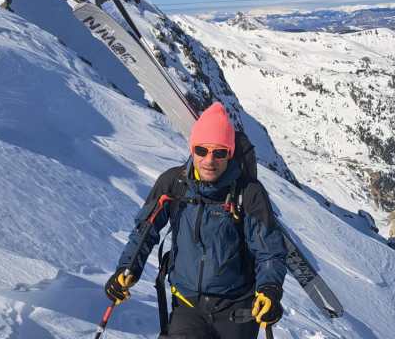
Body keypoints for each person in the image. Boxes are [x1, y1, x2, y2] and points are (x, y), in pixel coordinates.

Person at [105, 102, 287, 338]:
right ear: (192, 149)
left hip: (237, 308)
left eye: (219, 152)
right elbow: (144, 232)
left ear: (229, 154)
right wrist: (127, 268)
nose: (209, 160)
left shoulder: (248, 192)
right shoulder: (173, 183)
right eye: (202, 150)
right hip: (187, 305)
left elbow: (269, 251)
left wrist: (269, 289)